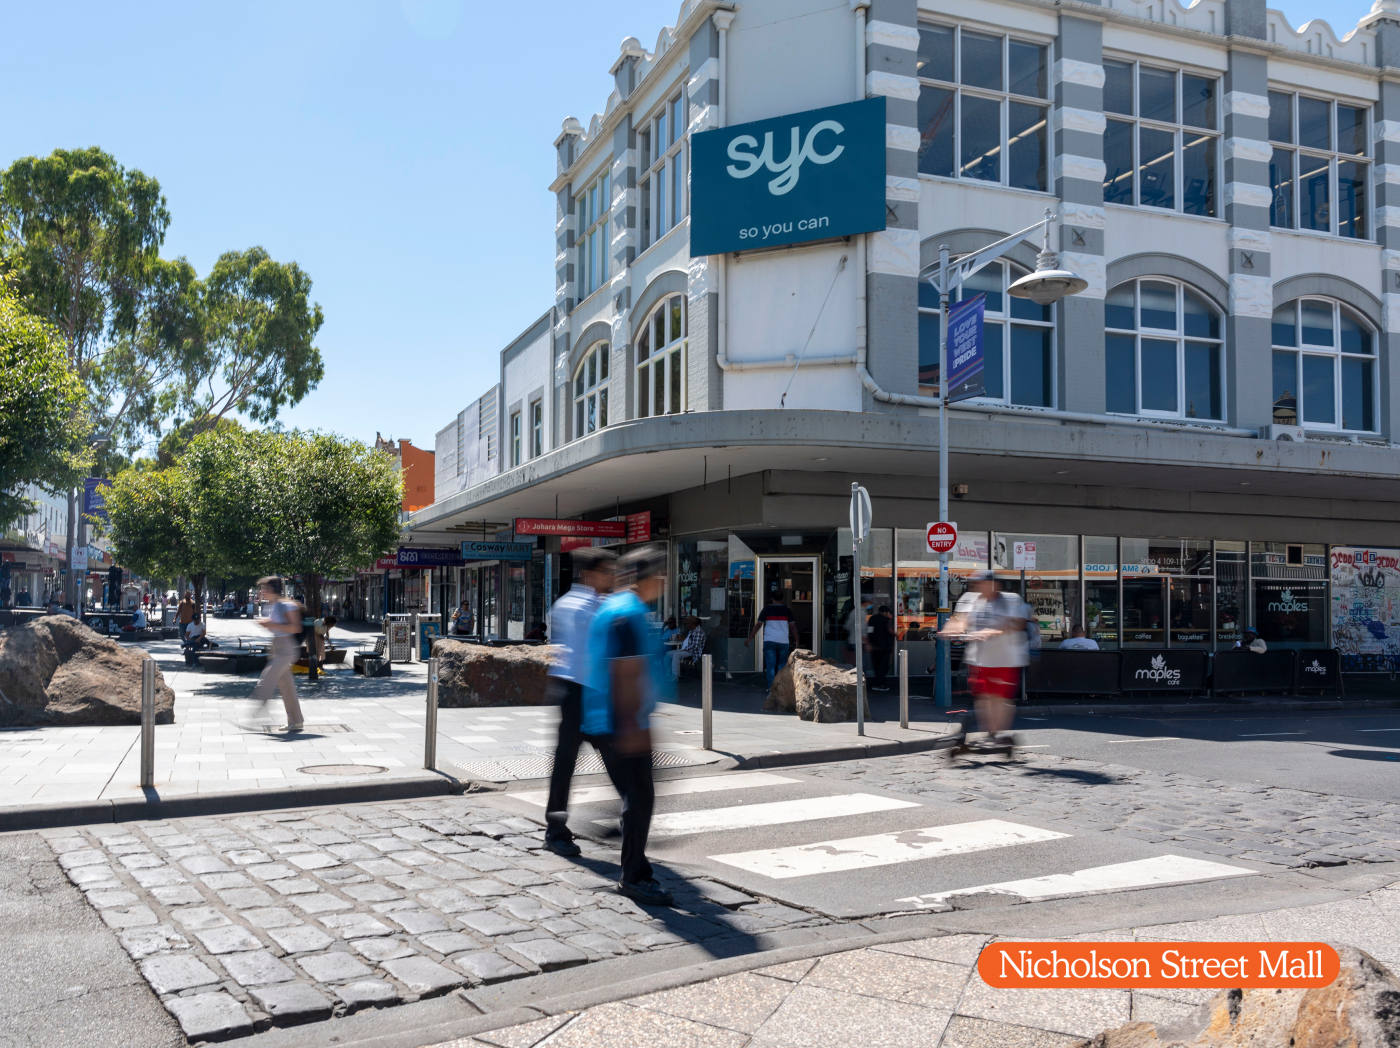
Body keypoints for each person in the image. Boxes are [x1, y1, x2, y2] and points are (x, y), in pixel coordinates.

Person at [583, 546, 672, 907]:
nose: (663, 584)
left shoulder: (614, 606)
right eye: (662, 577)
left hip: (605, 718)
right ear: (652, 579)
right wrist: (633, 724)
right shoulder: (629, 613)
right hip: (620, 720)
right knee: (640, 797)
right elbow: (625, 672)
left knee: (636, 795)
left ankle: (632, 862)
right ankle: (634, 876)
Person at [542, 547, 617, 857]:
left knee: (568, 765)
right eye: (607, 572)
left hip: (572, 691)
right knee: (609, 758)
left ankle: (556, 829)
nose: (611, 578)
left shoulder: (563, 603)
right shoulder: (591, 607)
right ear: (590, 574)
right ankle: (630, 812)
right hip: (585, 692)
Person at [939, 569, 1028, 752]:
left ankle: (997, 734)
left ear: (994, 584)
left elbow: (1018, 623)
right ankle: (989, 733)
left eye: (982, 583)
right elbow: (960, 620)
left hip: (1005, 658)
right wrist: (951, 628)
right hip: (979, 658)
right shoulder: (969, 599)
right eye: (976, 583)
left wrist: (994, 631)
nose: (978, 586)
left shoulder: (1010, 600)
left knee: (1000, 698)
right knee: (982, 697)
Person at [250, 576, 305, 732]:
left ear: (272, 588)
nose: (261, 591)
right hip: (276, 646)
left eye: (264, 588)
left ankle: (254, 714)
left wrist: (271, 624)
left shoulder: (286, 605)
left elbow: (296, 627)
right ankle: (296, 721)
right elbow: (277, 627)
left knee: (267, 677)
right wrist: (268, 625)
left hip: (286, 649)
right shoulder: (271, 606)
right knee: (286, 686)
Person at [746, 589, 799, 691]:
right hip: (783, 641)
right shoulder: (787, 610)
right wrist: (796, 640)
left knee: (770, 665)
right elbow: (793, 627)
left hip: (769, 640)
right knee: (781, 664)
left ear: (772, 598)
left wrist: (750, 638)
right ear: (782, 599)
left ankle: (771, 688)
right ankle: (779, 688)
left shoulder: (767, 610)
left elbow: (758, 625)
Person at [869, 605, 895, 690]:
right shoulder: (887, 620)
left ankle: (877, 684)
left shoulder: (872, 618)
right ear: (886, 612)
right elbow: (890, 630)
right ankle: (881, 684)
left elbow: (870, 631)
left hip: (874, 646)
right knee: (883, 666)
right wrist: (896, 634)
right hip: (884, 647)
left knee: (876, 666)